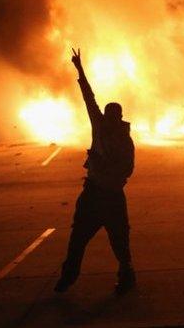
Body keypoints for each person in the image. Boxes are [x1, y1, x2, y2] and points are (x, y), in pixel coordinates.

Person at [55, 48, 136, 295]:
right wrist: (80, 70)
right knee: (77, 238)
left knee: (120, 243)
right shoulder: (99, 127)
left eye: (113, 115)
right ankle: (68, 277)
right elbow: (89, 98)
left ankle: (127, 277)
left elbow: (127, 170)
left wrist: (101, 162)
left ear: (119, 117)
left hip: (111, 196)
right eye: (107, 114)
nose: (108, 119)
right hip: (92, 194)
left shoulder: (125, 142)